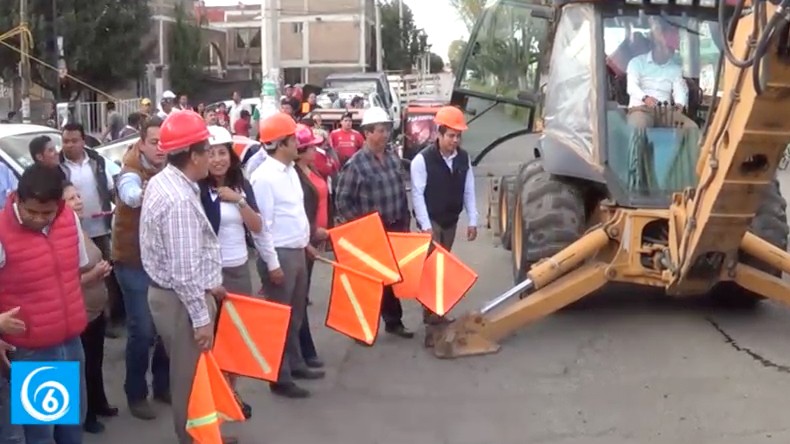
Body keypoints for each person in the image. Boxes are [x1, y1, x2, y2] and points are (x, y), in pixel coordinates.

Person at [140, 110, 236, 444]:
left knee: (193, 376)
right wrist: (201, 319)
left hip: (179, 295)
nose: (212, 155)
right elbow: (183, 273)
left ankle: (204, 435)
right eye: (207, 149)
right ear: (193, 156)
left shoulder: (168, 181)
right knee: (189, 380)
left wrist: (210, 282)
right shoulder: (179, 198)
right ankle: (193, 438)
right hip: (181, 301)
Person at [0, 164, 88, 444]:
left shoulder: (69, 220)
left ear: (59, 204)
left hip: (70, 340)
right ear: (18, 198)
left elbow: (78, 268)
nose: (38, 219)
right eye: (31, 212)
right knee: (42, 433)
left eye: (46, 213)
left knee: (73, 426)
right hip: (31, 349)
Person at [250, 112, 324, 399]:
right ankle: (278, 376)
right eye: (293, 139)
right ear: (281, 143)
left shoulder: (290, 171)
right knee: (279, 319)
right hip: (279, 255)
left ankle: (294, 364)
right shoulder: (264, 178)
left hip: (296, 251)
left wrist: (305, 243)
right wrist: (272, 263)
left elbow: (292, 214)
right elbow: (262, 226)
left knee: (294, 316)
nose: (298, 143)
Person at [198, 125, 263, 416]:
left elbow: (258, 226)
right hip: (211, 276)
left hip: (239, 270)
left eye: (222, 153)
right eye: (210, 154)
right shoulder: (197, 188)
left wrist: (238, 200)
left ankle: (230, 395)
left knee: (234, 341)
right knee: (211, 344)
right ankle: (212, 403)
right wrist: (207, 280)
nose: (216, 160)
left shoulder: (241, 185)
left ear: (231, 155)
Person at [334, 106, 414, 340]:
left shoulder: (392, 158)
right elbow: (342, 201)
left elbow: (400, 190)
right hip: (370, 232)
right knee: (367, 282)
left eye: (387, 130)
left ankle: (393, 322)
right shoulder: (356, 164)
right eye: (380, 130)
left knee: (390, 278)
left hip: (394, 226)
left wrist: (405, 222)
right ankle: (361, 328)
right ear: (367, 133)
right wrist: (361, 228)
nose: (385, 135)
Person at [111, 117, 171, 420]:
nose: (160, 147)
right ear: (140, 143)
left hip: (162, 262)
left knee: (165, 328)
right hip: (133, 262)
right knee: (142, 330)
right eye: (153, 141)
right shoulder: (131, 169)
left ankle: (163, 385)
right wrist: (151, 192)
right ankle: (136, 393)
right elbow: (131, 194)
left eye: (164, 141)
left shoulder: (171, 166)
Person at [410, 106, 479, 331]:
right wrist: (426, 225)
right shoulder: (422, 161)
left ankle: (436, 310)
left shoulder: (464, 159)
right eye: (450, 135)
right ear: (438, 134)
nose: (455, 141)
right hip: (433, 220)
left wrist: (473, 220)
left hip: (451, 219)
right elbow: (418, 194)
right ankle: (432, 316)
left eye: (458, 136)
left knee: (443, 266)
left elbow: (469, 189)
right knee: (433, 268)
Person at [60, 122, 125, 333]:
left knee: (106, 275)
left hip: (100, 228)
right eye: (65, 141)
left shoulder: (96, 161)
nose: (69, 145)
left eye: (73, 141)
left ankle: (106, 319)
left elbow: (110, 188)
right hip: (72, 232)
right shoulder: (58, 167)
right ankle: (82, 319)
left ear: (83, 141)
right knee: (80, 277)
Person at [64, 182, 117, 434]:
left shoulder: (80, 228)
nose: (79, 200)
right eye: (71, 198)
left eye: (78, 195)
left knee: (94, 362)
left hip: (94, 311)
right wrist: (94, 274)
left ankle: (98, 403)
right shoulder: (61, 238)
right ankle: (86, 415)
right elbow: (62, 282)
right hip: (78, 313)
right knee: (80, 367)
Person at [293, 124, 329, 368]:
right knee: (299, 299)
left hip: (315, 237)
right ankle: (303, 351)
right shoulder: (295, 175)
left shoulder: (311, 169)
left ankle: (304, 350)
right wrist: (308, 239)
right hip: (303, 241)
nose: (316, 150)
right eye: (311, 147)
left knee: (302, 296)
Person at [626, 19, 696, 129]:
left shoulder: (675, 69)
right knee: (638, 126)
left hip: (665, 112)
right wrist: (645, 98)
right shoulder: (637, 63)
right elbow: (631, 87)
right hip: (641, 109)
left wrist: (680, 104)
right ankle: (637, 147)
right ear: (656, 45)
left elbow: (680, 89)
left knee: (691, 128)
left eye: (672, 49)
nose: (670, 51)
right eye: (667, 47)